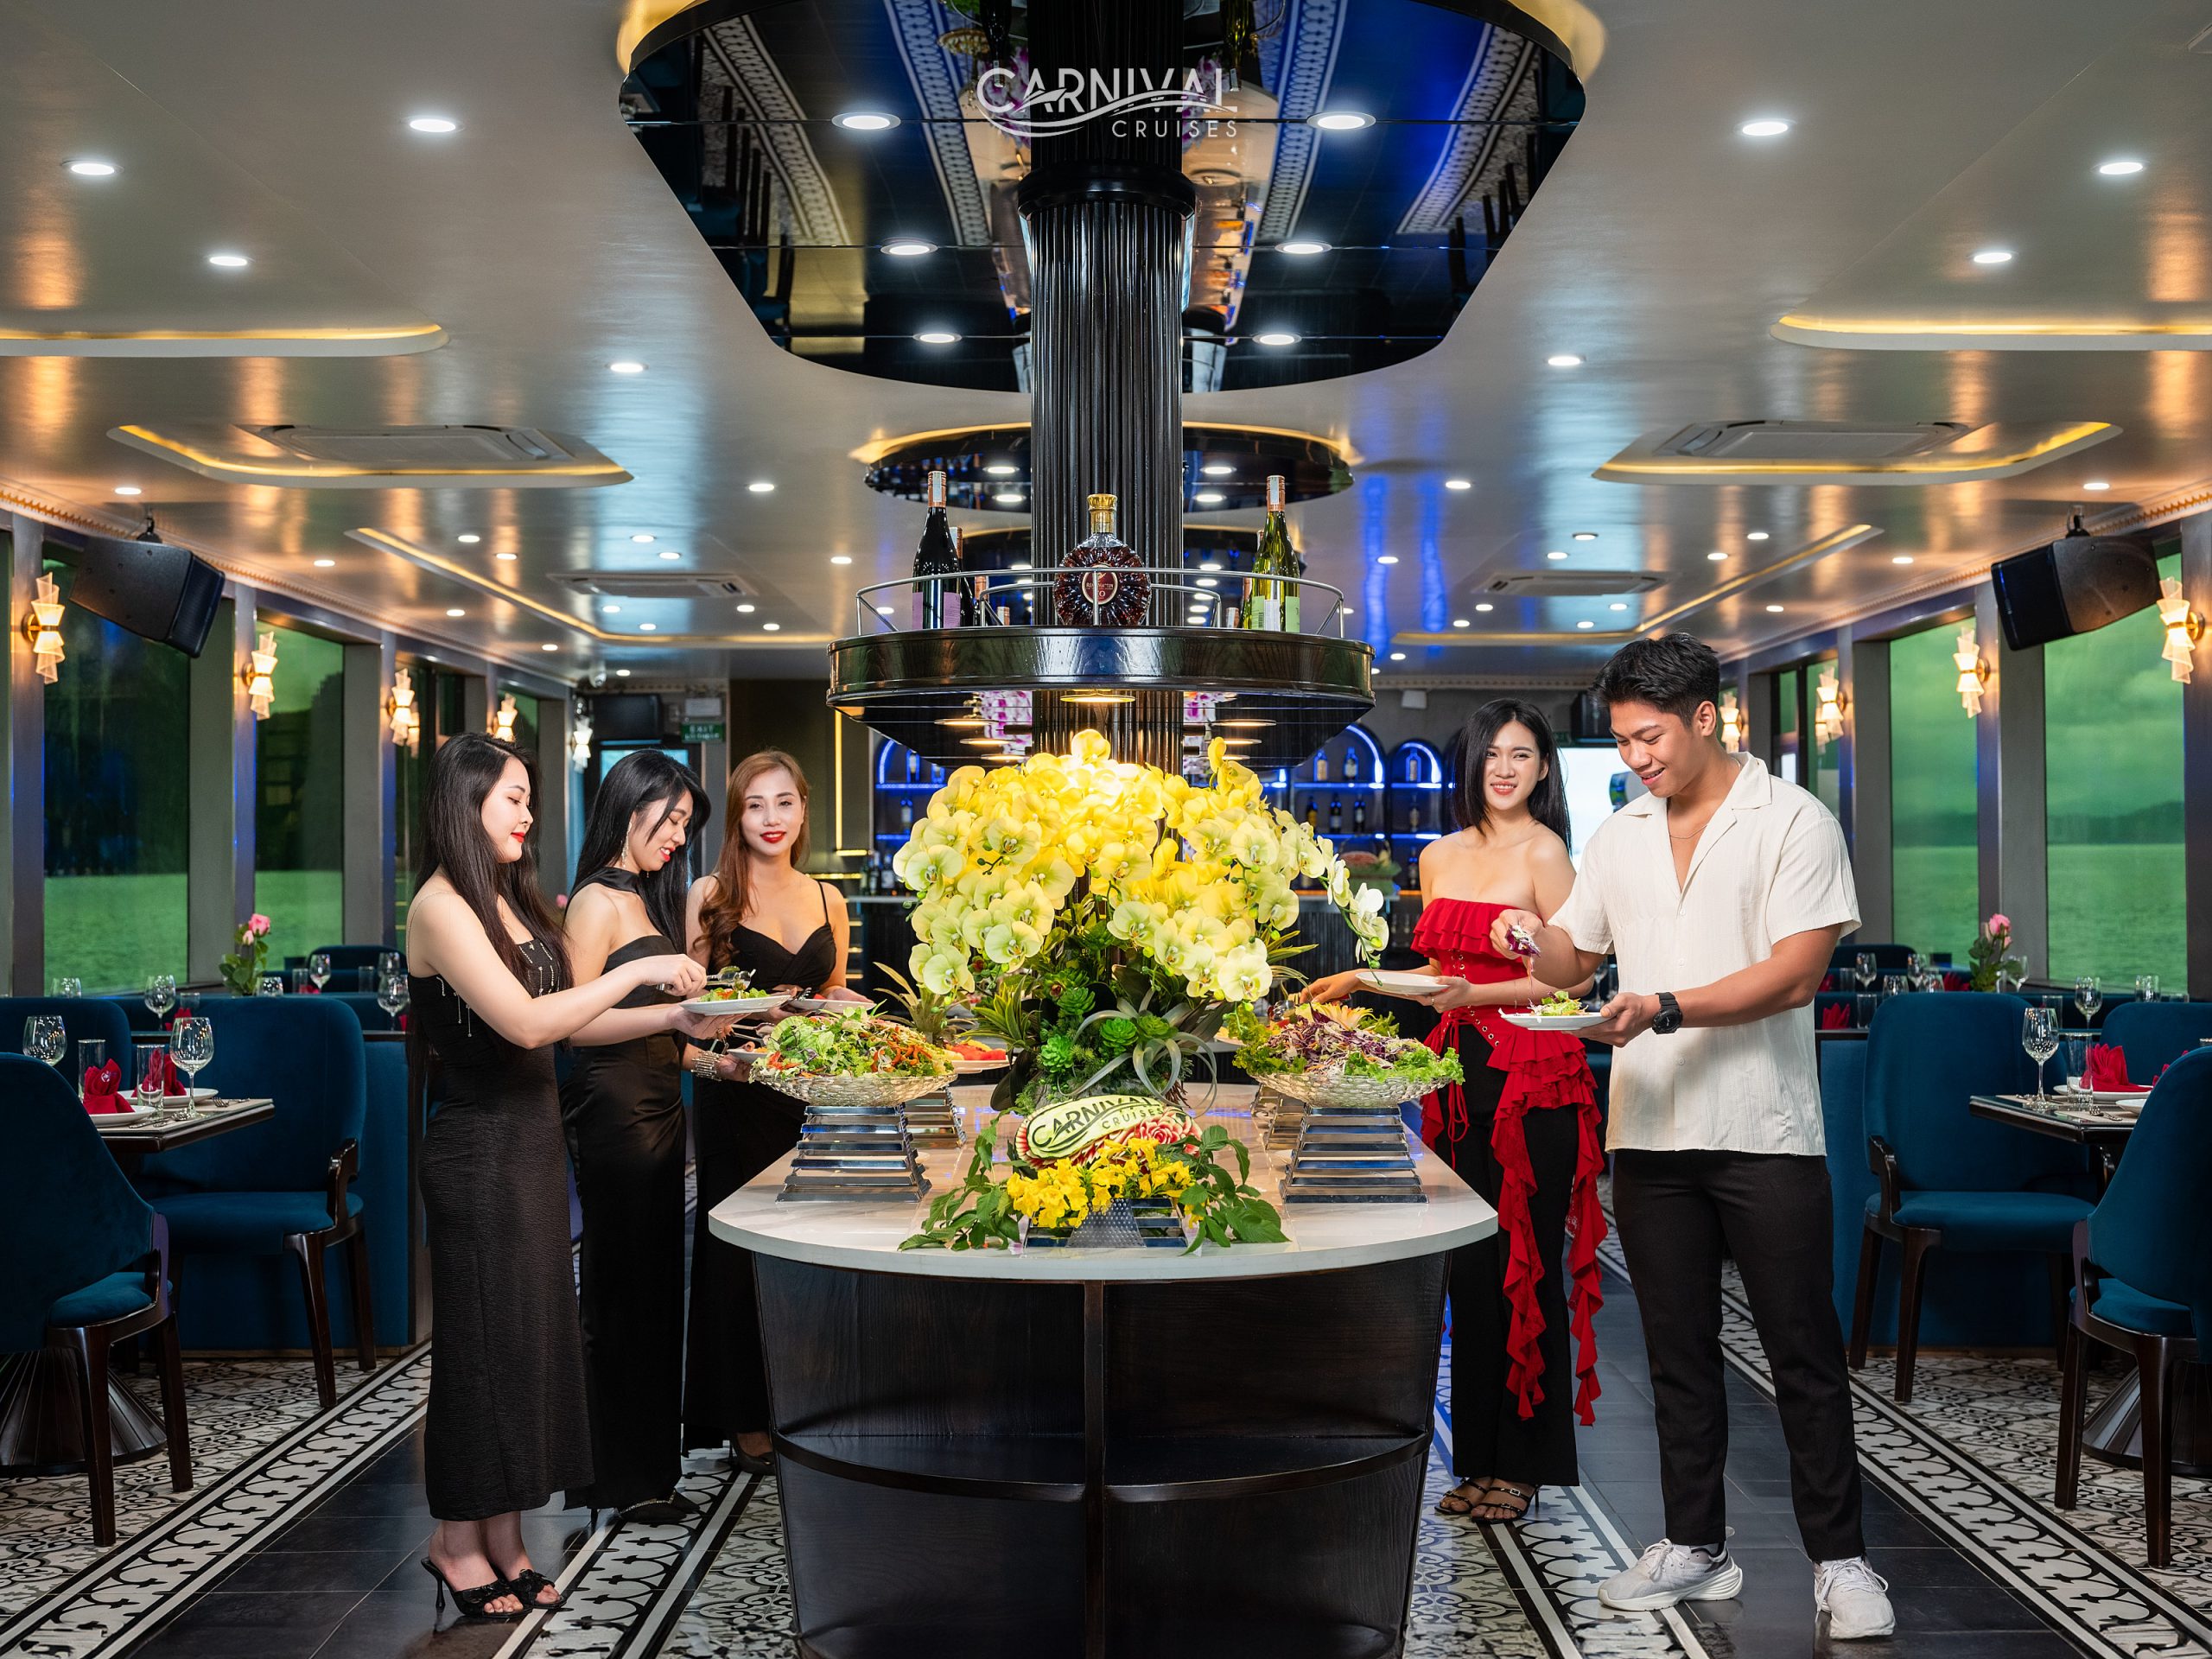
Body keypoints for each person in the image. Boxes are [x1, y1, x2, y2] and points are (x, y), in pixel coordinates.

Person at [1492, 632, 1895, 1641]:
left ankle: (1842, 1562)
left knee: (1801, 1352)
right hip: (1650, 1131)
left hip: (1765, 1130)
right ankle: (1693, 1545)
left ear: (1704, 718)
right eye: (1624, 741)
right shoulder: (1621, 835)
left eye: (1650, 738)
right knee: (1676, 1352)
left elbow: (1795, 975)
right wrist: (1527, 936)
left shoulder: (1792, 821)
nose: (1636, 758)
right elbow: (1572, 961)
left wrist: (1664, 1006)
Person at [406, 734, 706, 1621]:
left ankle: (505, 1539)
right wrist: (644, 973)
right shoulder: (438, 909)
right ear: (465, 802)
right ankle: (454, 1541)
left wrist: (674, 1019)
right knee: (481, 1353)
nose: (529, 816)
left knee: (532, 1346)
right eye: (514, 798)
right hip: (478, 1151)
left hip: (534, 1143)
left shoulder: (501, 897)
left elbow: (557, 1010)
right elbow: (532, 1025)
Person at [1303, 699, 1604, 1525]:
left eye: (1522, 754)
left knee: (1524, 1262)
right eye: (1491, 753)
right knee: (1469, 1270)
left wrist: (1477, 995)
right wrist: (1363, 981)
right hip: (1461, 1077)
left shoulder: (1546, 853)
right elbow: (1440, 976)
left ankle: (1526, 1464)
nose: (1505, 769)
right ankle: (1478, 1458)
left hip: (1532, 1074)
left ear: (1543, 769)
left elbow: (1578, 975)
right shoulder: (1437, 857)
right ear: (1470, 764)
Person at [560, 751, 731, 1522]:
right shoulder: (595, 900)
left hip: (659, 1107)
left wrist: (722, 1061)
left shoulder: (642, 897)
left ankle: (650, 1476)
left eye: (686, 826)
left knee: (656, 1291)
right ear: (631, 809)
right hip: (614, 1113)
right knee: (621, 1293)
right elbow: (577, 1027)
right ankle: (616, 1479)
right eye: (671, 821)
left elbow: (662, 1034)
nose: (678, 838)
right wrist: (671, 1014)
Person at [683, 750, 865, 1469]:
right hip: (735, 1090)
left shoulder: (828, 897)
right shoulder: (710, 894)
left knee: (811, 1250)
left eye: (784, 802)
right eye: (755, 804)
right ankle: (743, 1414)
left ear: (803, 809)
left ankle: (807, 1397)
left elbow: (828, 992)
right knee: (736, 1255)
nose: (771, 818)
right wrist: (741, 1029)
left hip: (808, 1096)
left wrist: (838, 1004)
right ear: (737, 816)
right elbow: (693, 1010)